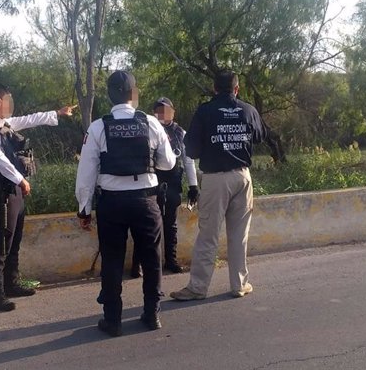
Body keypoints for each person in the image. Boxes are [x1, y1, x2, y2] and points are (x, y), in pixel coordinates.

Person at [75, 71, 176, 337]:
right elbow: (168, 163)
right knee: (152, 258)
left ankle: (113, 320)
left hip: (112, 204)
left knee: (112, 260)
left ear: (109, 95)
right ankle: (152, 314)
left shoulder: (98, 127)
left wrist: (84, 209)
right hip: (146, 201)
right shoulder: (151, 123)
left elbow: (86, 174)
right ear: (133, 94)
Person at [170, 70, 285, 301]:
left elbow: (190, 150)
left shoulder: (205, 111)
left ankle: (198, 288)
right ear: (237, 89)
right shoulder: (249, 110)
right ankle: (239, 284)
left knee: (208, 235)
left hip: (215, 179)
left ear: (214, 88)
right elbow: (261, 136)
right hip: (243, 176)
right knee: (239, 234)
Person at [0, 82, 75, 311]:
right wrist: (20, 178)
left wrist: (56, 114)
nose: (11, 107)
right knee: (1, 241)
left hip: (11, 188)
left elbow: (28, 120)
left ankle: (11, 283)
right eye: (9, 101)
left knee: (14, 239)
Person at [130, 97, 199, 278]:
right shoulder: (148, 129)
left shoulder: (180, 132)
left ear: (173, 112)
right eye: (158, 110)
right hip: (151, 184)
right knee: (146, 225)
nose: (162, 113)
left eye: (166, 110)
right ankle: (138, 264)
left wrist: (193, 186)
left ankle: (171, 260)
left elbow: (188, 160)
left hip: (173, 184)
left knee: (170, 225)